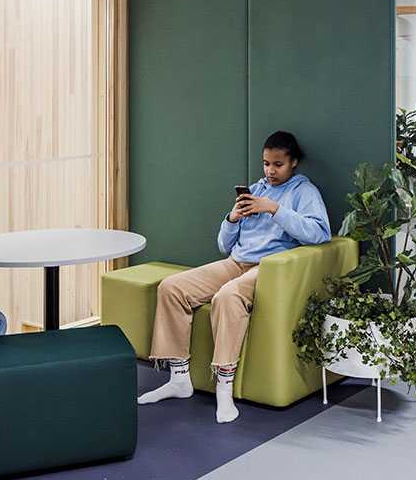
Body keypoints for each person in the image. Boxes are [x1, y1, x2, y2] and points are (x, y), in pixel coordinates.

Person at [137, 130, 330, 423]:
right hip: (236, 261)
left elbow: (319, 233)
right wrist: (232, 219)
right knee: (171, 287)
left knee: (227, 296)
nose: (270, 170)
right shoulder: (256, 189)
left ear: (294, 163)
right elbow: (224, 246)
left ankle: (224, 389)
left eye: (277, 164)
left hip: (268, 268)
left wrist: (274, 209)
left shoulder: (304, 192)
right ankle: (179, 379)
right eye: (266, 163)